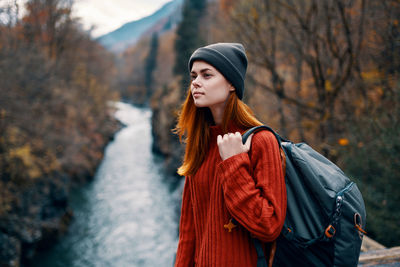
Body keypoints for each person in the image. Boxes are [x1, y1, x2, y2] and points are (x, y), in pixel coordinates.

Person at [173, 43, 287, 267]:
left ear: (232, 84)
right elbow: (189, 229)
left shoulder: (261, 141)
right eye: (193, 76)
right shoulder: (200, 142)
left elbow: (269, 226)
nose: (195, 82)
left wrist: (234, 164)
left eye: (207, 75)